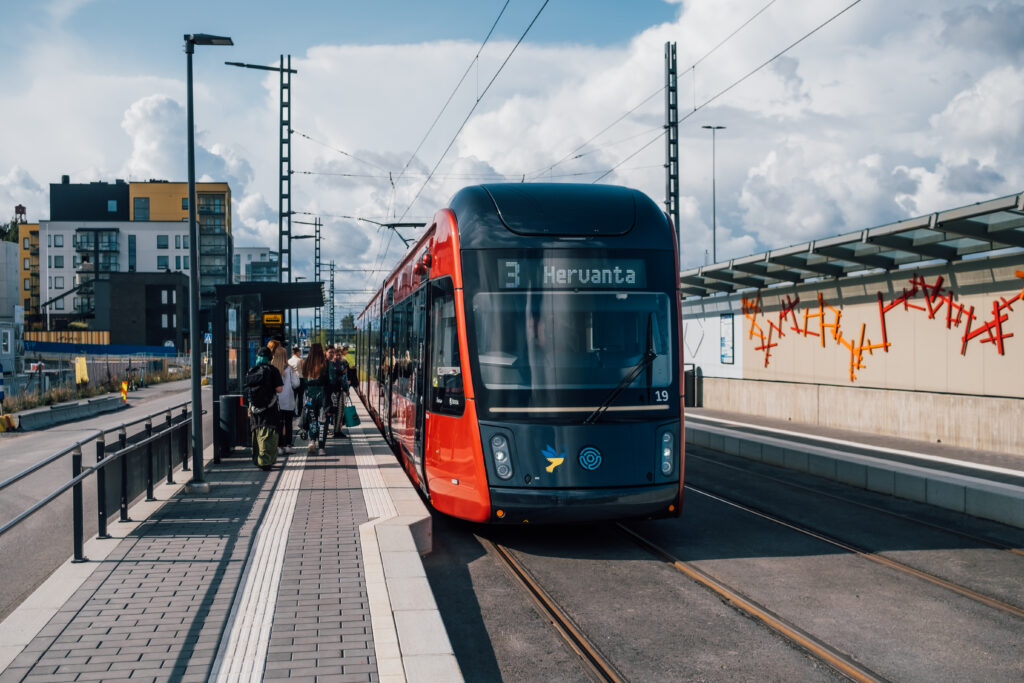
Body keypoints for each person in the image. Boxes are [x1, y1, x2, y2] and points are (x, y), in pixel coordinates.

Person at [244, 346, 283, 470]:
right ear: (270, 358)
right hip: (269, 408)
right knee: (269, 433)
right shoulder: (272, 370)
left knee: (257, 432)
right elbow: (279, 389)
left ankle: (258, 459)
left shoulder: (252, 370)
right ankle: (266, 461)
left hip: (255, 409)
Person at [302, 343, 331, 455]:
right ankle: (322, 448)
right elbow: (332, 380)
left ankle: (312, 441)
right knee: (323, 420)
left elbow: (304, 380)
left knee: (312, 418)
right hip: (323, 395)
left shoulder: (306, 364)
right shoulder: (326, 363)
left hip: (310, 395)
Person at [271, 346, 300, 455]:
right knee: (288, 423)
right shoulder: (289, 368)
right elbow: (296, 384)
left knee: (277, 424)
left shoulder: (271, 368)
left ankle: (278, 446)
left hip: (275, 401)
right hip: (288, 401)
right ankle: (288, 446)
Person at [289, 345, 305, 411]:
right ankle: (300, 412)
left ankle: (292, 412)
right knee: (300, 397)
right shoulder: (300, 360)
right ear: (298, 352)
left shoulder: (288, 361)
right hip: (300, 379)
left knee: (293, 397)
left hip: (292, 380)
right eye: (299, 352)